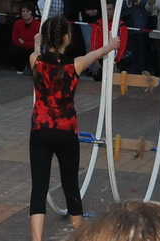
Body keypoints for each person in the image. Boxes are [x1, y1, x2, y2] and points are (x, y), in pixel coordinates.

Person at [27, 14, 119, 241]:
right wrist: (111, 45)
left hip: (40, 129)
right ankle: (79, 235)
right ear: (67, 38)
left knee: (39, 187)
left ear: (47, 38)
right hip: (67, 131)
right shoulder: (75, 64)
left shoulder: (35, 60)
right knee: (71, 185)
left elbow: (37, 52)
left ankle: (37, 239)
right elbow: (95, 54)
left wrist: (38, 44)